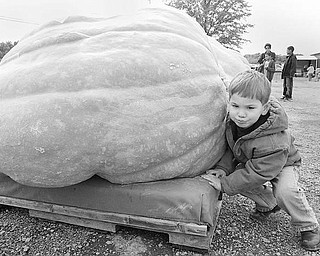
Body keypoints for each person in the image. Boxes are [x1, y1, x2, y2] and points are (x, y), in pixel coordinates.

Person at [201, 70, 320, 252]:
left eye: (250, 108)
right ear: (229, 102)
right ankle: (269, 204)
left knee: (286, 191)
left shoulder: (273, 140)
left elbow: (258, 173)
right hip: (255, 161)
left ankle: (308, 225)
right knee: (236, 179)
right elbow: (231, 148)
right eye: (235, 106)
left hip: (283, 163)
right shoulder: (233, 122)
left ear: (264, 108)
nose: (241, 114)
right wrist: (223, 169)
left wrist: (223, 184)